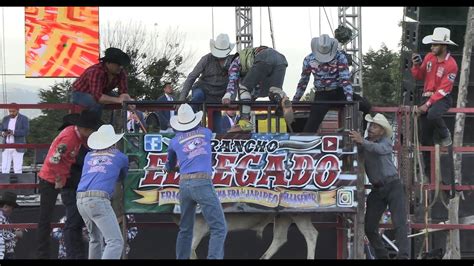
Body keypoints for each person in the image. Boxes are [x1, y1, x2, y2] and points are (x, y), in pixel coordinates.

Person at [36, 110, 102, 259]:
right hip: (52, 179)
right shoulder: (69, 139)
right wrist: (58, 178)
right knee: (45, 218)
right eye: (92, 130)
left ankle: (46, 252)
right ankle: (42, 254)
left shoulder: (75, 135)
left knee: (48, 217)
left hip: (62, 177)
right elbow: (54, 160)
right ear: (86, 129)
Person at [165, 104, 227, 259]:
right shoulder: (206, 132)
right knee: (219, 227)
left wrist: (170, 168)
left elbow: (169, 166)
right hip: (202, 182)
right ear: (195, 120)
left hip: (184, 184)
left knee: (185, 229)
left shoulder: (174, 141)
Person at [349, 113, 409, 259]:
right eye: (371, 125)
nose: (370, 128)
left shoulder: (386, 141)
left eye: (374, 126)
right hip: (378, 188)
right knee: (369, 227)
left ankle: (404, 256)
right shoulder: (365, 143)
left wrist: (362, 141)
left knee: (399, 222)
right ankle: (382, 256)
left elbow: (380, 150)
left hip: (393, 185)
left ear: (382, 131)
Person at [292, 34, 372, 133]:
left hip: (339, 91)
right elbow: (304, 80)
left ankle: (364, 134)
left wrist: (349, 99)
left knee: (366, 106)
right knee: (312, 124)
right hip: (321, 94)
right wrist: (295, 100)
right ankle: (305, 143)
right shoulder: (308, 60)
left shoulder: (340, 57)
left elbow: (345, 79)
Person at [76, 124, 129, 259]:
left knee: (95, 239)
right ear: (114, 141)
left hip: (80, 199)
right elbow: (122, 177)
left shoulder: (88, 156)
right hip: (98, 199)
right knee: (115, 242)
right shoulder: (120, 157)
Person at [222, 45, 293, 132]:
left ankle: (245, 123)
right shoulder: (251, 66)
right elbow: (255, 91)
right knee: (274, 90)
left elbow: (232, 83)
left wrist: (227, 97)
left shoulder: (234, 64)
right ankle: (283, 100)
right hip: (281, 59)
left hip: (264, 57)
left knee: (243, 88)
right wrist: (246, 103)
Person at [412, 27, 458, 149]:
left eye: (435, 44)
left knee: (432, 114)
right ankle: (427, 168)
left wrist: (427, 105)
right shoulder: (429, 57)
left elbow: (443, 90)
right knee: (425, 138)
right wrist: (416, 65)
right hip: (426, 96)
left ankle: (445, 134)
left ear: (444, 46)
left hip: (442, 98)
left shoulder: (451, 64)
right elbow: (419, 76)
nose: (431, 47)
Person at [180, 33, 235, 133]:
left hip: (217, 98)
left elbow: (235, 81)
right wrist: (182, 98)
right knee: (197, 97)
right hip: (203, 90)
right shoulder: (206, 59)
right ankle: (190, 122)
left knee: (217, 129)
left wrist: (232, 97)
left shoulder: (233, 62)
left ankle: (212, 142)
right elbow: (192, 77)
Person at [71, 47, 132, 116]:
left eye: (121, 65)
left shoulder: (121, 72)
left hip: (101, 93)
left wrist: (128, 101)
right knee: (96, 103)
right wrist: (118, 100)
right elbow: (98, 97)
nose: (121, 67)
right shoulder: (96, 71)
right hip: (79, 93)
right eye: (118, 64)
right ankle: (93, 125)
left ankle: (110, 125)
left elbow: (123, 92)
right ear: (108, 63)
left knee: (123, 103)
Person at [0, 103, 29, 174]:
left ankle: (18, 184)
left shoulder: (24, 118)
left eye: (13, 111)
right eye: (10, 111)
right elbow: (1, 130)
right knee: (4, 168)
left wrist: (13, 132)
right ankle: (4, 184)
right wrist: (4, 133)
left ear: (18, 110)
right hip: (6, 146)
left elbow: (26, 131)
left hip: (18, 146)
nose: (11, 113)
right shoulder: (5, 118)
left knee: (18, 168)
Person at [0, 191, 24, 259]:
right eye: (12, 208)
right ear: (6, 207)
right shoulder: (2, 218)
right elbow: (4, 235)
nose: (12, 210)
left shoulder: (7, 219)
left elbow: (18, 234)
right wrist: (15, 234)